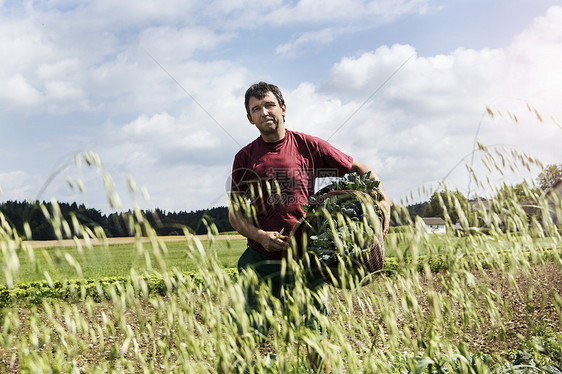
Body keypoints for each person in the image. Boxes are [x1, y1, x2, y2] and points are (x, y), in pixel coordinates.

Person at [228, 81, 390, 372]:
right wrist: (260, 236)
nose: (264, 112)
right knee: (246, 339)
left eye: (269, 105)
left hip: (306, 261)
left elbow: (360, 169)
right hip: (260, 261)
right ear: (249, 118)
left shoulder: (308, 145)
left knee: (315, 341)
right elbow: (235, 215)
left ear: (283, 108)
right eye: (256, 109)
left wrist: (382, 197)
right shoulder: (245, 157)